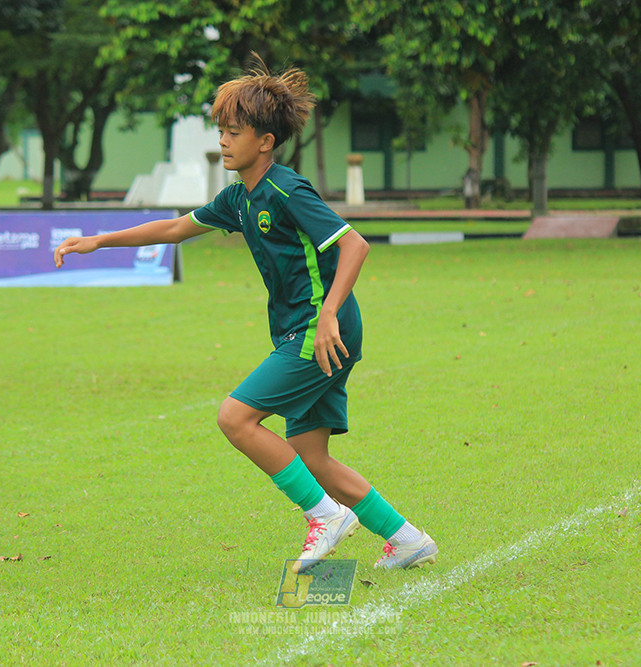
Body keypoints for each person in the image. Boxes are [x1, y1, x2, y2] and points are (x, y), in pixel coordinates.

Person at [53, 56, 437, 572]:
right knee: (311, 455)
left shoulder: (286, 189)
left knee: (235, 417)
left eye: (234, 131)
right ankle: (406, 538)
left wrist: (326, 315)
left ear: (266, 142)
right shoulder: (238, 199)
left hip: (320, 330)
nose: (223, 140)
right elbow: (173, 230)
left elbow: (355, 246)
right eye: (221, 131)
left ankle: (326, 517)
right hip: (314, 330)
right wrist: (98, 240)